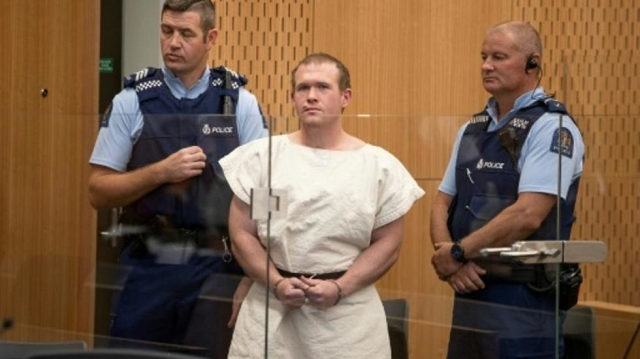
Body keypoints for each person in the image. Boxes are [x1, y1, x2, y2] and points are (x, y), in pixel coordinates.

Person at [88, 0, 266, 357]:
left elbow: (264, 196)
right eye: (167, 30)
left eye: (186, 33)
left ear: (210, 37)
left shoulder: (240, 103)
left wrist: (254, 275)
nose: (173, 42)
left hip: (216, 262)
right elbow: (98, 191)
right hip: (148, 260)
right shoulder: (131, 100)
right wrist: (160, 173)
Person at [218, 53, 424, 359]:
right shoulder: (265, 158)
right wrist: (276, 283)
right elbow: (244, 234)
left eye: (323, 87)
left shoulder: (377, 166)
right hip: (271, 309)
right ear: (292, 98)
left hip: (348, 319)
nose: (311, 96)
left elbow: (388, 244)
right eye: (303, 88)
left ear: (345, 97)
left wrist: (339, 288)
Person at [430, 21, 584, 359]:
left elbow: (528, 215)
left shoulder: (551, 127)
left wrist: (456, 253)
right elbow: (442, 202)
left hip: (524, 297)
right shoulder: (472, 128)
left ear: (533, 63)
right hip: (469, 287)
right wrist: (452, 261)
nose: (486, 65)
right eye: (484, 56)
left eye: (499, 57)